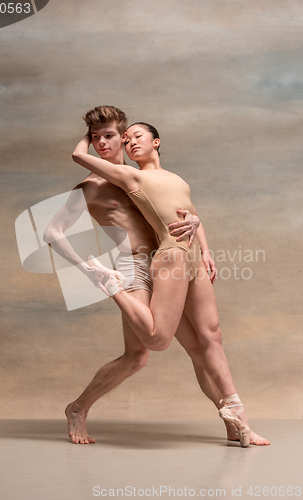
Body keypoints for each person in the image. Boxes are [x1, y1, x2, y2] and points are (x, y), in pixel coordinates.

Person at [72, 117, 270, 447]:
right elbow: (80, 158)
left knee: (210, 339)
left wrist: (205, 248)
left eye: (137, 136)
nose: (131, 141)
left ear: (156, 141)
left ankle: (234, 422)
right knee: (166, 343)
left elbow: (189, 212)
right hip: (168, 257)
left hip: (191, 257)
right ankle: (238, 416)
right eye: (127, 138)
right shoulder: (130, 176)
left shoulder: (175, 178)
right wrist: (90, 137)